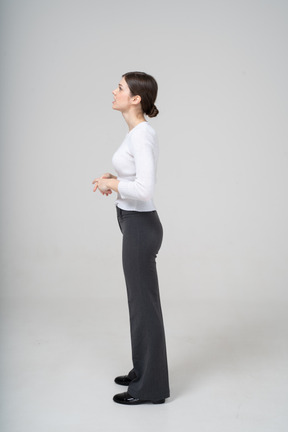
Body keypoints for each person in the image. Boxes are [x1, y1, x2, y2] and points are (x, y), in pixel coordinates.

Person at [92, 71, 170, 405]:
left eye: (120, 87)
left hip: (141, 227)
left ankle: (151, 388)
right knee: (138, 305)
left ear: (136, 98)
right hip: (133, 222)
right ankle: (143, 372)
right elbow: (134, 177)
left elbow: (146, 189)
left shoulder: (142, 135)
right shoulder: (135, 133)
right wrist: (116, 177)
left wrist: (112, 185)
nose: (114, 90)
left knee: (144, 307)